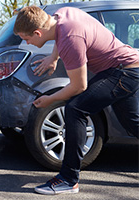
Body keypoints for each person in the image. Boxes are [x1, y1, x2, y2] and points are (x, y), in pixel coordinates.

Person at [13, 6, 139, 195]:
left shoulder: (70, 39)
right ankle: (68, 178)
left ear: (38, 32)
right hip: (128, 66)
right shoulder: (62, 14)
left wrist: (50, 99)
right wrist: (53, 57)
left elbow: (79, 86)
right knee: (133, 123)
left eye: (27, 39)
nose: (28, 43)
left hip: (123, 72)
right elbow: (59, 34)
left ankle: (68, 179)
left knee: (75, 109)